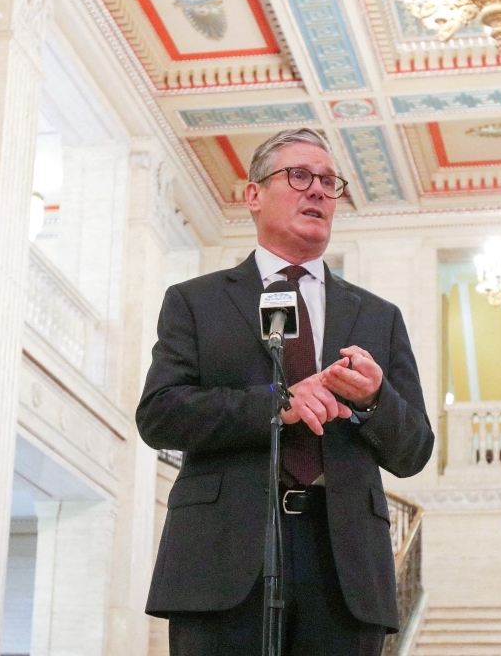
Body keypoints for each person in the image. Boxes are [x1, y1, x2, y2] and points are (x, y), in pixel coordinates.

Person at [135, 127, 434, 656]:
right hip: (222, 555)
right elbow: (160, 414)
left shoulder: (378, 317)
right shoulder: (196, 302)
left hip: (344, 568)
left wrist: (374, 399)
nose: (317, 189)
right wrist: (278, 403)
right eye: (299, 176)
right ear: (254, 194)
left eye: (328, 181)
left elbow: (414, 452)